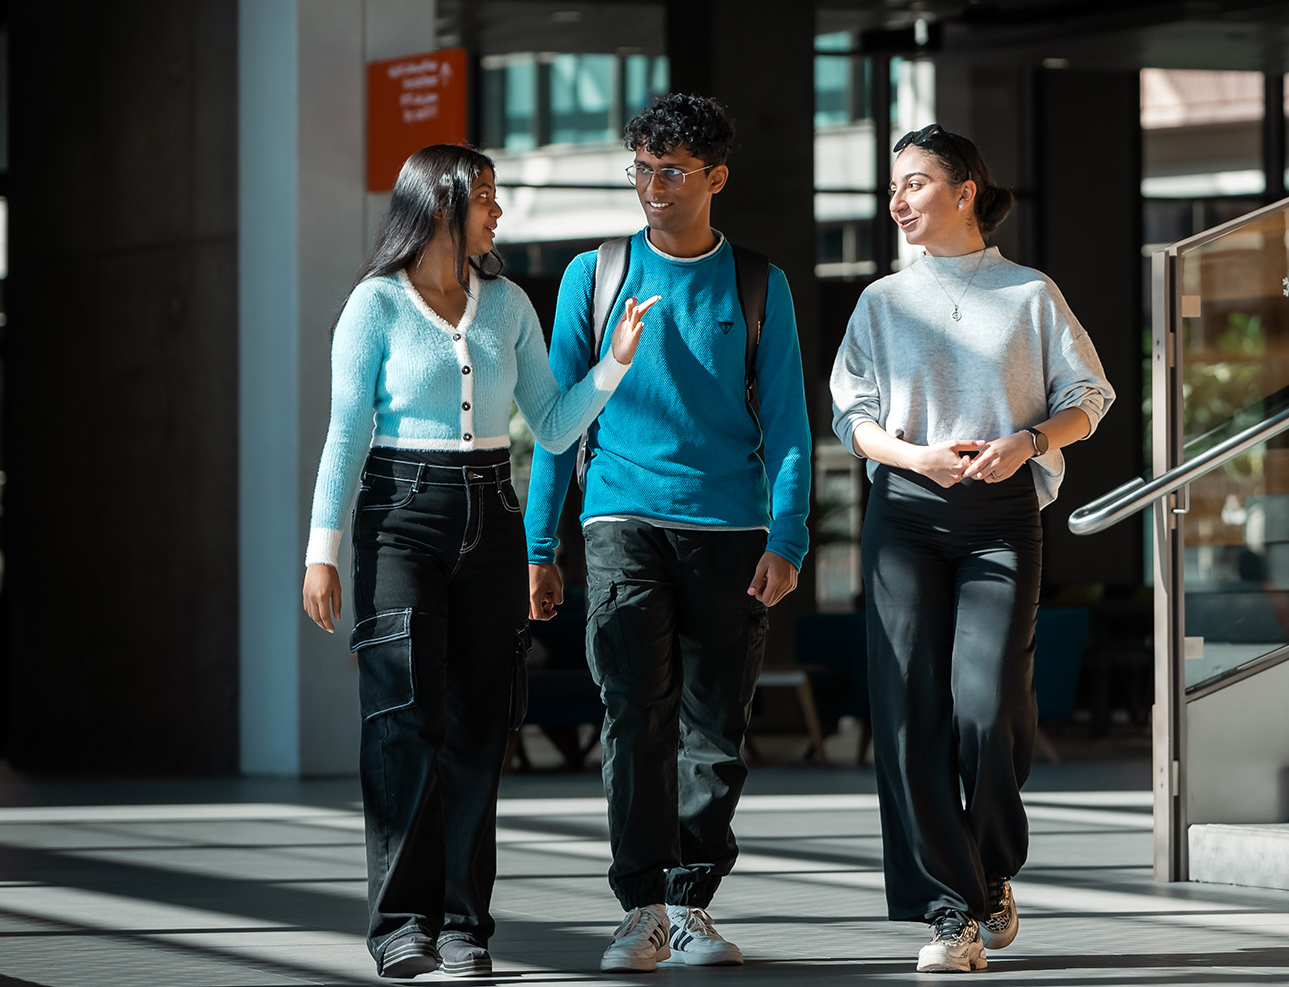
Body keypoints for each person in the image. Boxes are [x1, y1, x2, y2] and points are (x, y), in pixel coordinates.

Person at [302, 144, 655, 980]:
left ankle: (464, 927)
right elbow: (346, 434)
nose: (499, 213)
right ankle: (399, 926)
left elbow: (555, 424)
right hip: (398, 519)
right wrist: (323, 550)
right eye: (487, 197)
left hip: (492, 512)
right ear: (440, 201)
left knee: (476, 730)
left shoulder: (508, 306)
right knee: (401, 724)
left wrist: (613, 365)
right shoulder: (375, 306)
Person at [523, 92, 812, 974]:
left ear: (715, 177)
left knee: (716, 726)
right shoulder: (594, 275)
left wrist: (789, 538)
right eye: (641, 169)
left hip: (731, 524)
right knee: (633, 717)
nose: (653, 186)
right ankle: (641, 906)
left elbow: (793, 427)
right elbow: (556, 421)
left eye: (673, 172)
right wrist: (541, 544)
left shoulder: (759, 282)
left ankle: (692, 905)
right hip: (621, 517)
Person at [829, 124, 1114, 974]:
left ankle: (989, 869)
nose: (898, 201)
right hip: (906, 511)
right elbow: (852, 415)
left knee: (987, 708)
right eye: (892, 187)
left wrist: (1028, 442)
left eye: (915, 183)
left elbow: (1090, 394)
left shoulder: (1030, 294)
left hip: (1000, 516)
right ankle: (951, 911)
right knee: (910, 710)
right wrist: (914, 456)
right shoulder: (881, 300)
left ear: (964, 192)